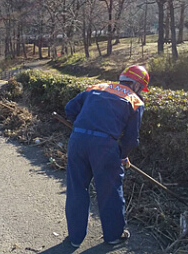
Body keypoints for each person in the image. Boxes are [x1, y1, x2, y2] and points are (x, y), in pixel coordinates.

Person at [64, 65, 149, 247]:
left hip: (77, 140)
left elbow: (70, 108)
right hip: (104, 146)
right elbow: (131, 139)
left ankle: (74, 238)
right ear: (135, 85)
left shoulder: (97, 87)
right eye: (141, 88)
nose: (141, 92)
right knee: (109, 192)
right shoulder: (135, 101)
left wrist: (83, 129)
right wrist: (122, 155)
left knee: (76, 188)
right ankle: (113, 236)